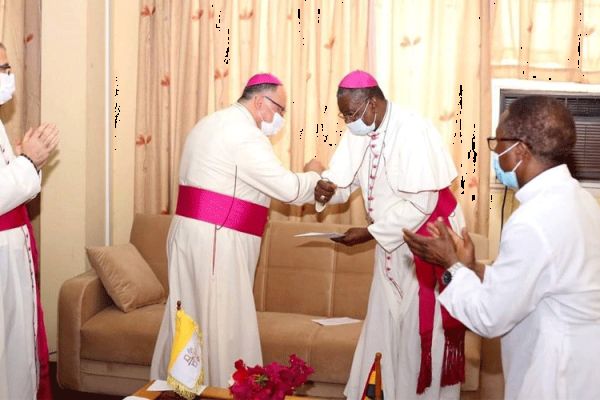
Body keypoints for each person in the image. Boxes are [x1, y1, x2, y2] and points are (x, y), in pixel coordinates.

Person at [403, 95, 600, 400]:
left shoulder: (533, 221)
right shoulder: (582, 201)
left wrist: (450, 266)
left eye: (497, 142)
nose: (494, 152)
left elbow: (490, 317)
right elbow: (536, 282)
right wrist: (473, 268)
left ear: (519, 149)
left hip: (554, 376)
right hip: (583, 367)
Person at [150, 73, 323, 387]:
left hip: (194, 235)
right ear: (259, 102)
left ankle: (183, 387)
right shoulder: (245, 134)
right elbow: (289, 189)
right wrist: (313, 174)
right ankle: (224, 390)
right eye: (280, 110)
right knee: (223, 325)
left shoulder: (210, 122)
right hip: (218, 239)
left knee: (189, 320)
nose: (280, 119)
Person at [314, 70, 465, 400]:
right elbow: (349, 180)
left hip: (429, 239)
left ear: (372, 103)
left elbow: (422, 201)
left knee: (417, 332)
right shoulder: (362, 127)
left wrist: (369, 233)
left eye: (351, 114)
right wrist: (328, 190)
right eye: (343, 115)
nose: (348, 122)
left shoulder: (414, 130)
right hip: (391, 238)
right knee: (385, 326)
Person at [0, 43, 59, 400]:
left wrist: (26, 159)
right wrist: (27, 162)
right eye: (1, 68)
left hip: (11, 254)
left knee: (16, 349)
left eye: (7, 67)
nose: (7, 76)